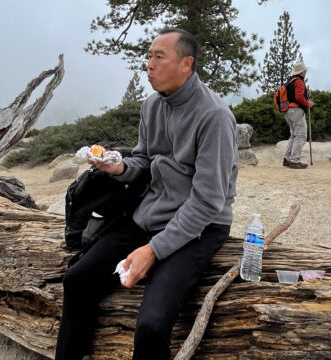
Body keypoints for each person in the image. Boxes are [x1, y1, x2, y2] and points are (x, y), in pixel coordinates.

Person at [55, 28, 239, 360]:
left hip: (200, 228)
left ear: (186, 64)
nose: (148, 65)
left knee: (152, 324)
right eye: (148, 56)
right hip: (149, 215)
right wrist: (120, 168)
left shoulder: (214, 117)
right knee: (77, 280)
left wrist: (152, 251)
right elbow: (144, 158)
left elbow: (209, 201)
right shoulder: (152, 106)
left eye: (159, 57)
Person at [282, 60, 314, 169]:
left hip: (288, 111)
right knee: (301, 135)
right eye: (304, 70)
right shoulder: (299, 81)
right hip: (296, 111)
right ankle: (294, 161)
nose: (305, 72)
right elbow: (299, 97)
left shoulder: (290, 81)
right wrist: (308, 102)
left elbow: (295, 95)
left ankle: (287, 159)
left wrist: (306, 93)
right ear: (301, 72)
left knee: (294, 135)